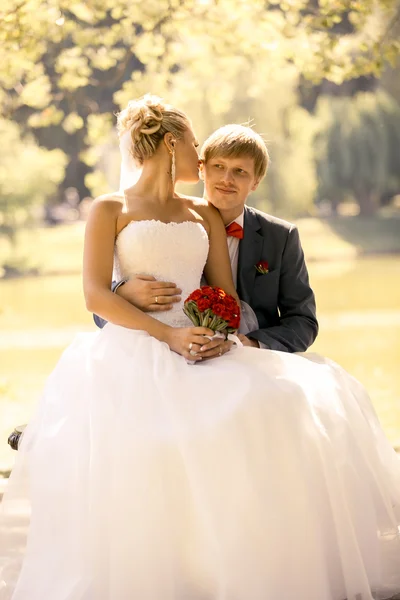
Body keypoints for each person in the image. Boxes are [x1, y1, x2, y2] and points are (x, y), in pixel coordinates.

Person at [1, 94, 400, 600]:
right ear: (171, 144)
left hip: (204, 344)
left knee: (274, 404)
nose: (201, 157)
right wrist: (161, 328)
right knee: (146, 443)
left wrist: (212, 332)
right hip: (136, 348)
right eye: (194, 145)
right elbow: (95, 294)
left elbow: (225, 296)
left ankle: (244, 566)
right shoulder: (109, 208)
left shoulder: (203, 215)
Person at [93, 124, 318, 357]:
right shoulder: (161, 226)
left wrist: (250, 343)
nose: (227, 179)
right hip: (154, 352)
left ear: (256, 181)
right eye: (218, 167)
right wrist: (122, 293)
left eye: (240, 171)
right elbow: (99, 308)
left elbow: (303, 321)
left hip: (245, 358)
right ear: (202, 169)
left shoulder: (280, 237)